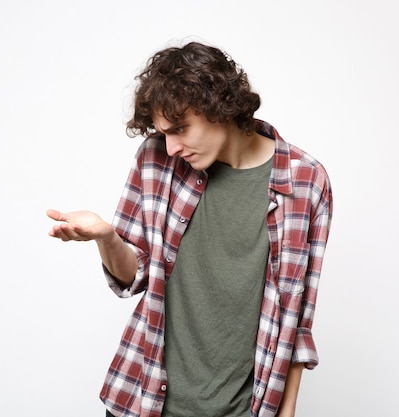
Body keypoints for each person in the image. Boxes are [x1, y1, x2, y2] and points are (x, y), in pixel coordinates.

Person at [47, 41, 333, 417]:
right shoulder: (154, 161)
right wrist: (106, 238)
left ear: (221, 107)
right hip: (144, 399)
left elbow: (297, 317)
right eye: (163, 132)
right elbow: (134, 277)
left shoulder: (305, 181)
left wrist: (286, 412)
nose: (171, 147)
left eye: (180, 129)